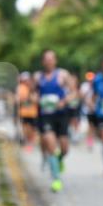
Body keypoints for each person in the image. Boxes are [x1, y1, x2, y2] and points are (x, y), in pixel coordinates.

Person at [34, 50, 75, 192]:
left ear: (55, 61)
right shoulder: (38, 77)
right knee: (51, 144)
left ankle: (59, 159)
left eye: (51, 59)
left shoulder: (63, 75)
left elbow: (74, 92)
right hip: (46, 115)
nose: (49, 61)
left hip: (61, 115)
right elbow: (32, 93)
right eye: (46, 59)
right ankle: (56, 179)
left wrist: (64, 101)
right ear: (43, 61)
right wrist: (36, 99)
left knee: (64, 149)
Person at [16, 72, 39, 150]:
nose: (27, 81)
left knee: (32, 129)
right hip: (24, 113)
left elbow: (36, 99)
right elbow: (18, 100)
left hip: (33, 113)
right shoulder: (20, 88)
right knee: (25, 128)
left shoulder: (33, 88)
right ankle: (27, 142)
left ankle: (30, 143)